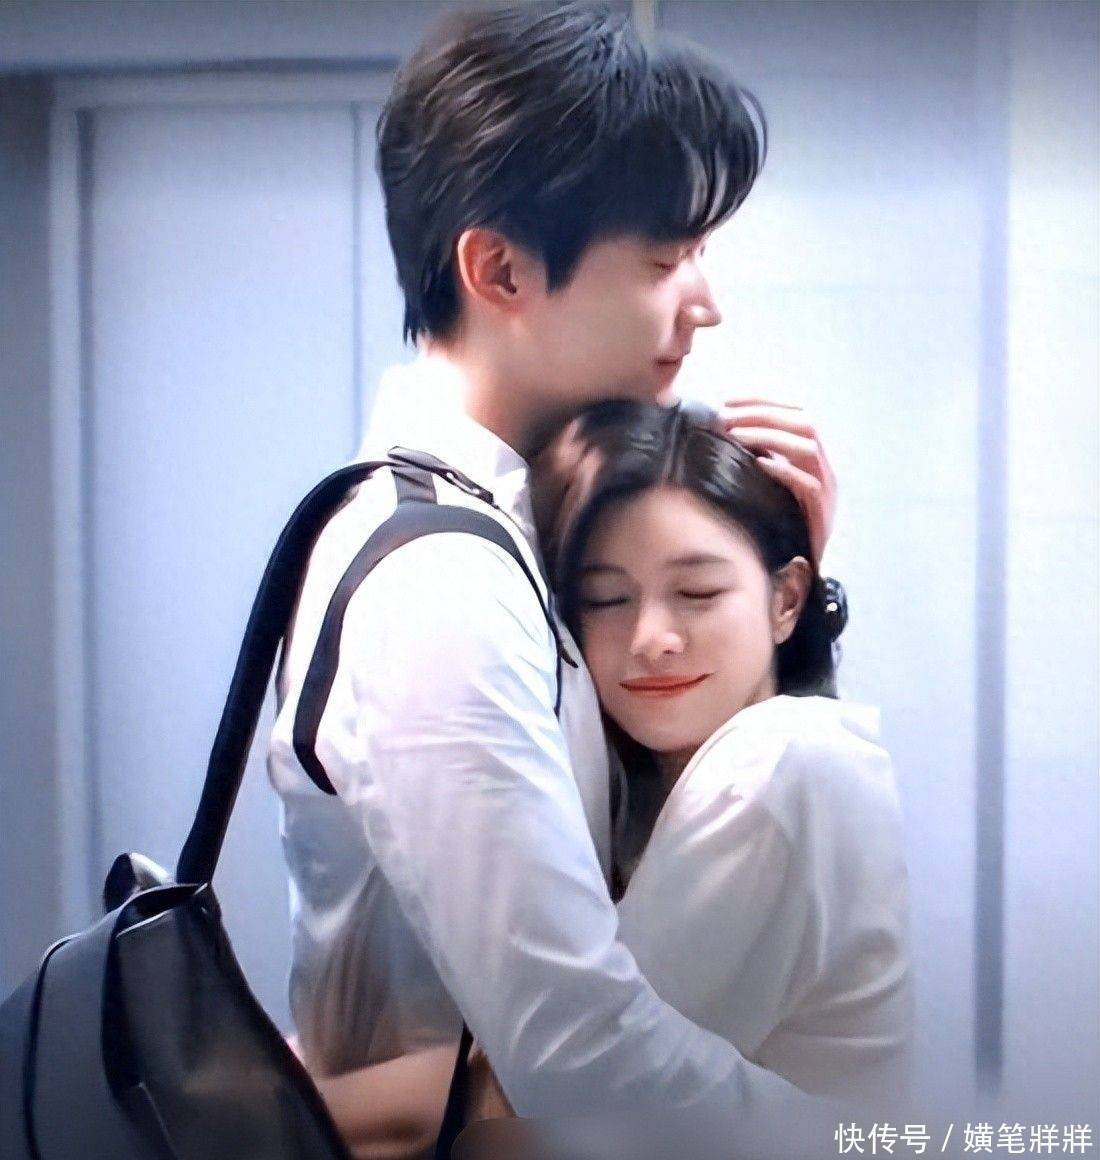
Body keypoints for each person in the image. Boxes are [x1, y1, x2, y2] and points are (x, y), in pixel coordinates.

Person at [267, 3, 839, 1155]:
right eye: (664, 259)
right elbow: (579, 1047)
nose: (703, 302)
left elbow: (673, 892)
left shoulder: (520, 532)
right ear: (500, 270)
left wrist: (784, 605)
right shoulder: (436, 580)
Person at [530, 401, 913, 1107]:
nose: (651, 639)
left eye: (697, 592)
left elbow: (567, 1083)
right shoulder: (649, 785)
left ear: (788, 598)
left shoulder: (775, 765)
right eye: (606, 598)